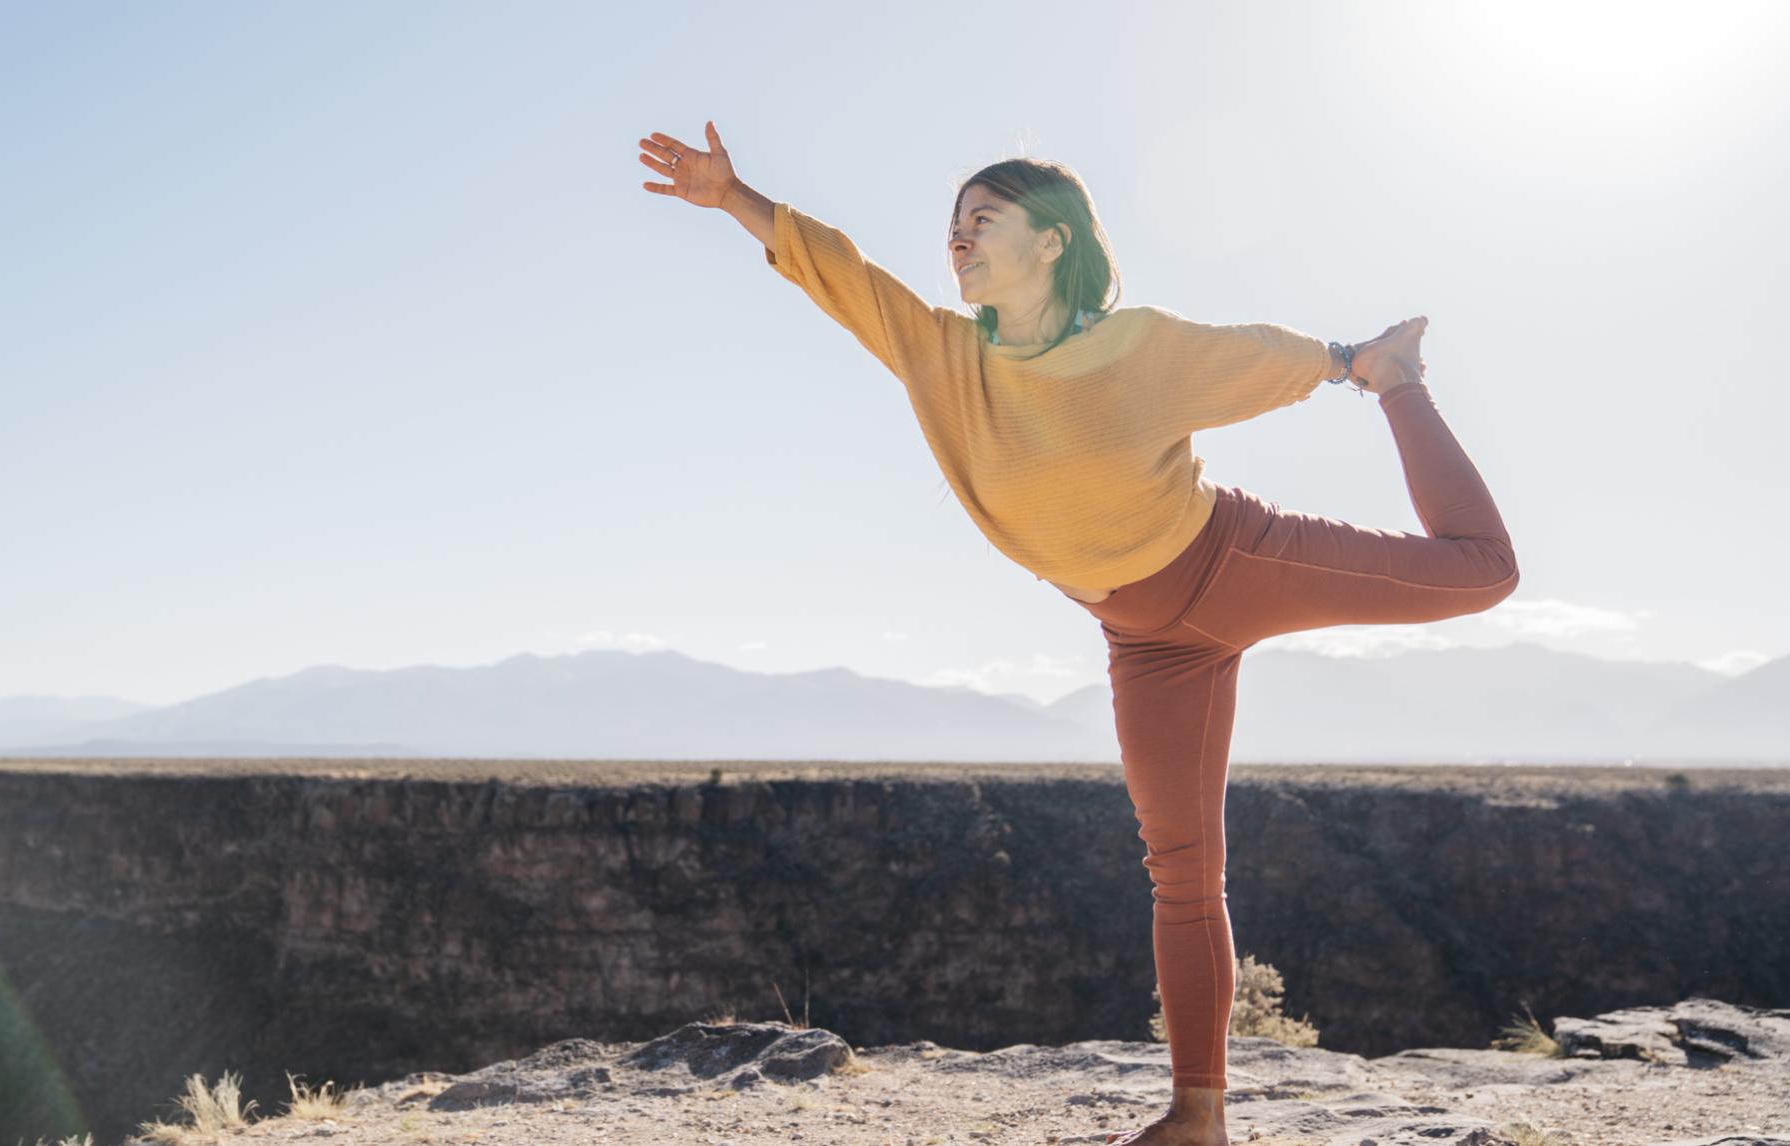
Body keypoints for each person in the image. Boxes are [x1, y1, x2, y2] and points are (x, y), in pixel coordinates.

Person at [637, 122, 1518, 1146]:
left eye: (984, 218)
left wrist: (1356, 364)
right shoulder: (944, 355)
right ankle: (1198, 1117)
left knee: (1482, 571)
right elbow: (841, 272)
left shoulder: (1136, 347)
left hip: (1232, 565)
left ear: (1053, 240)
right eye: (953, 224)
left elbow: (1252, 355)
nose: (958, 237)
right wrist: (733, 197)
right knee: (1181, 870)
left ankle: (1406, 380)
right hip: (1146, 642)